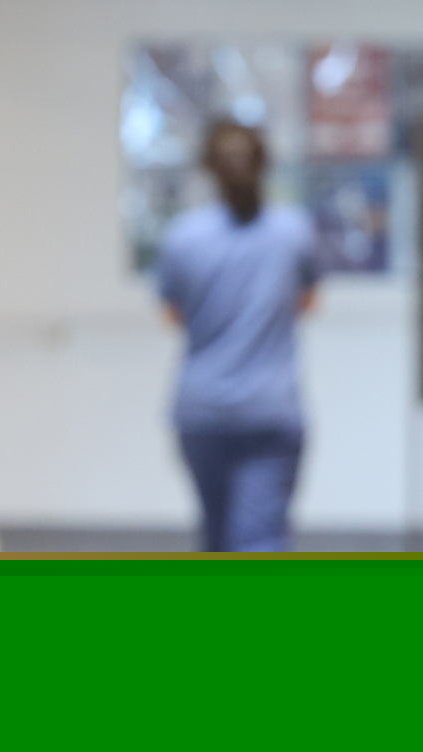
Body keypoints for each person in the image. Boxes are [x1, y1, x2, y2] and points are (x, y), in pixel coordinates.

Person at [157, 120, 320, 552]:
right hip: (272, 408)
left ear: (207, 169)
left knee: (217, 536)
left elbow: (174, 314)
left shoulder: (183, 238)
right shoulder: (294, 232)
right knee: (260, 537)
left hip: (201, 409)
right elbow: (307, 303)